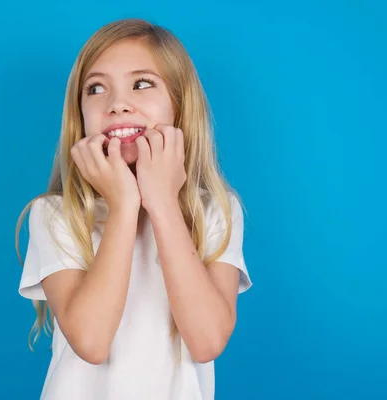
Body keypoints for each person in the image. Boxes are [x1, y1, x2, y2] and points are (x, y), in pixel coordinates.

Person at [15, 18, 252, 400]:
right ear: (80, 117)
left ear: (179, 103)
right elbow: (91, 342)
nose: (117, 104)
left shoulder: (216, 212)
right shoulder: (57, 215)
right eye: (96, 89)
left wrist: (161, 203)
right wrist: (125, 205)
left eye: (142, 84)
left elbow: (207, 340)